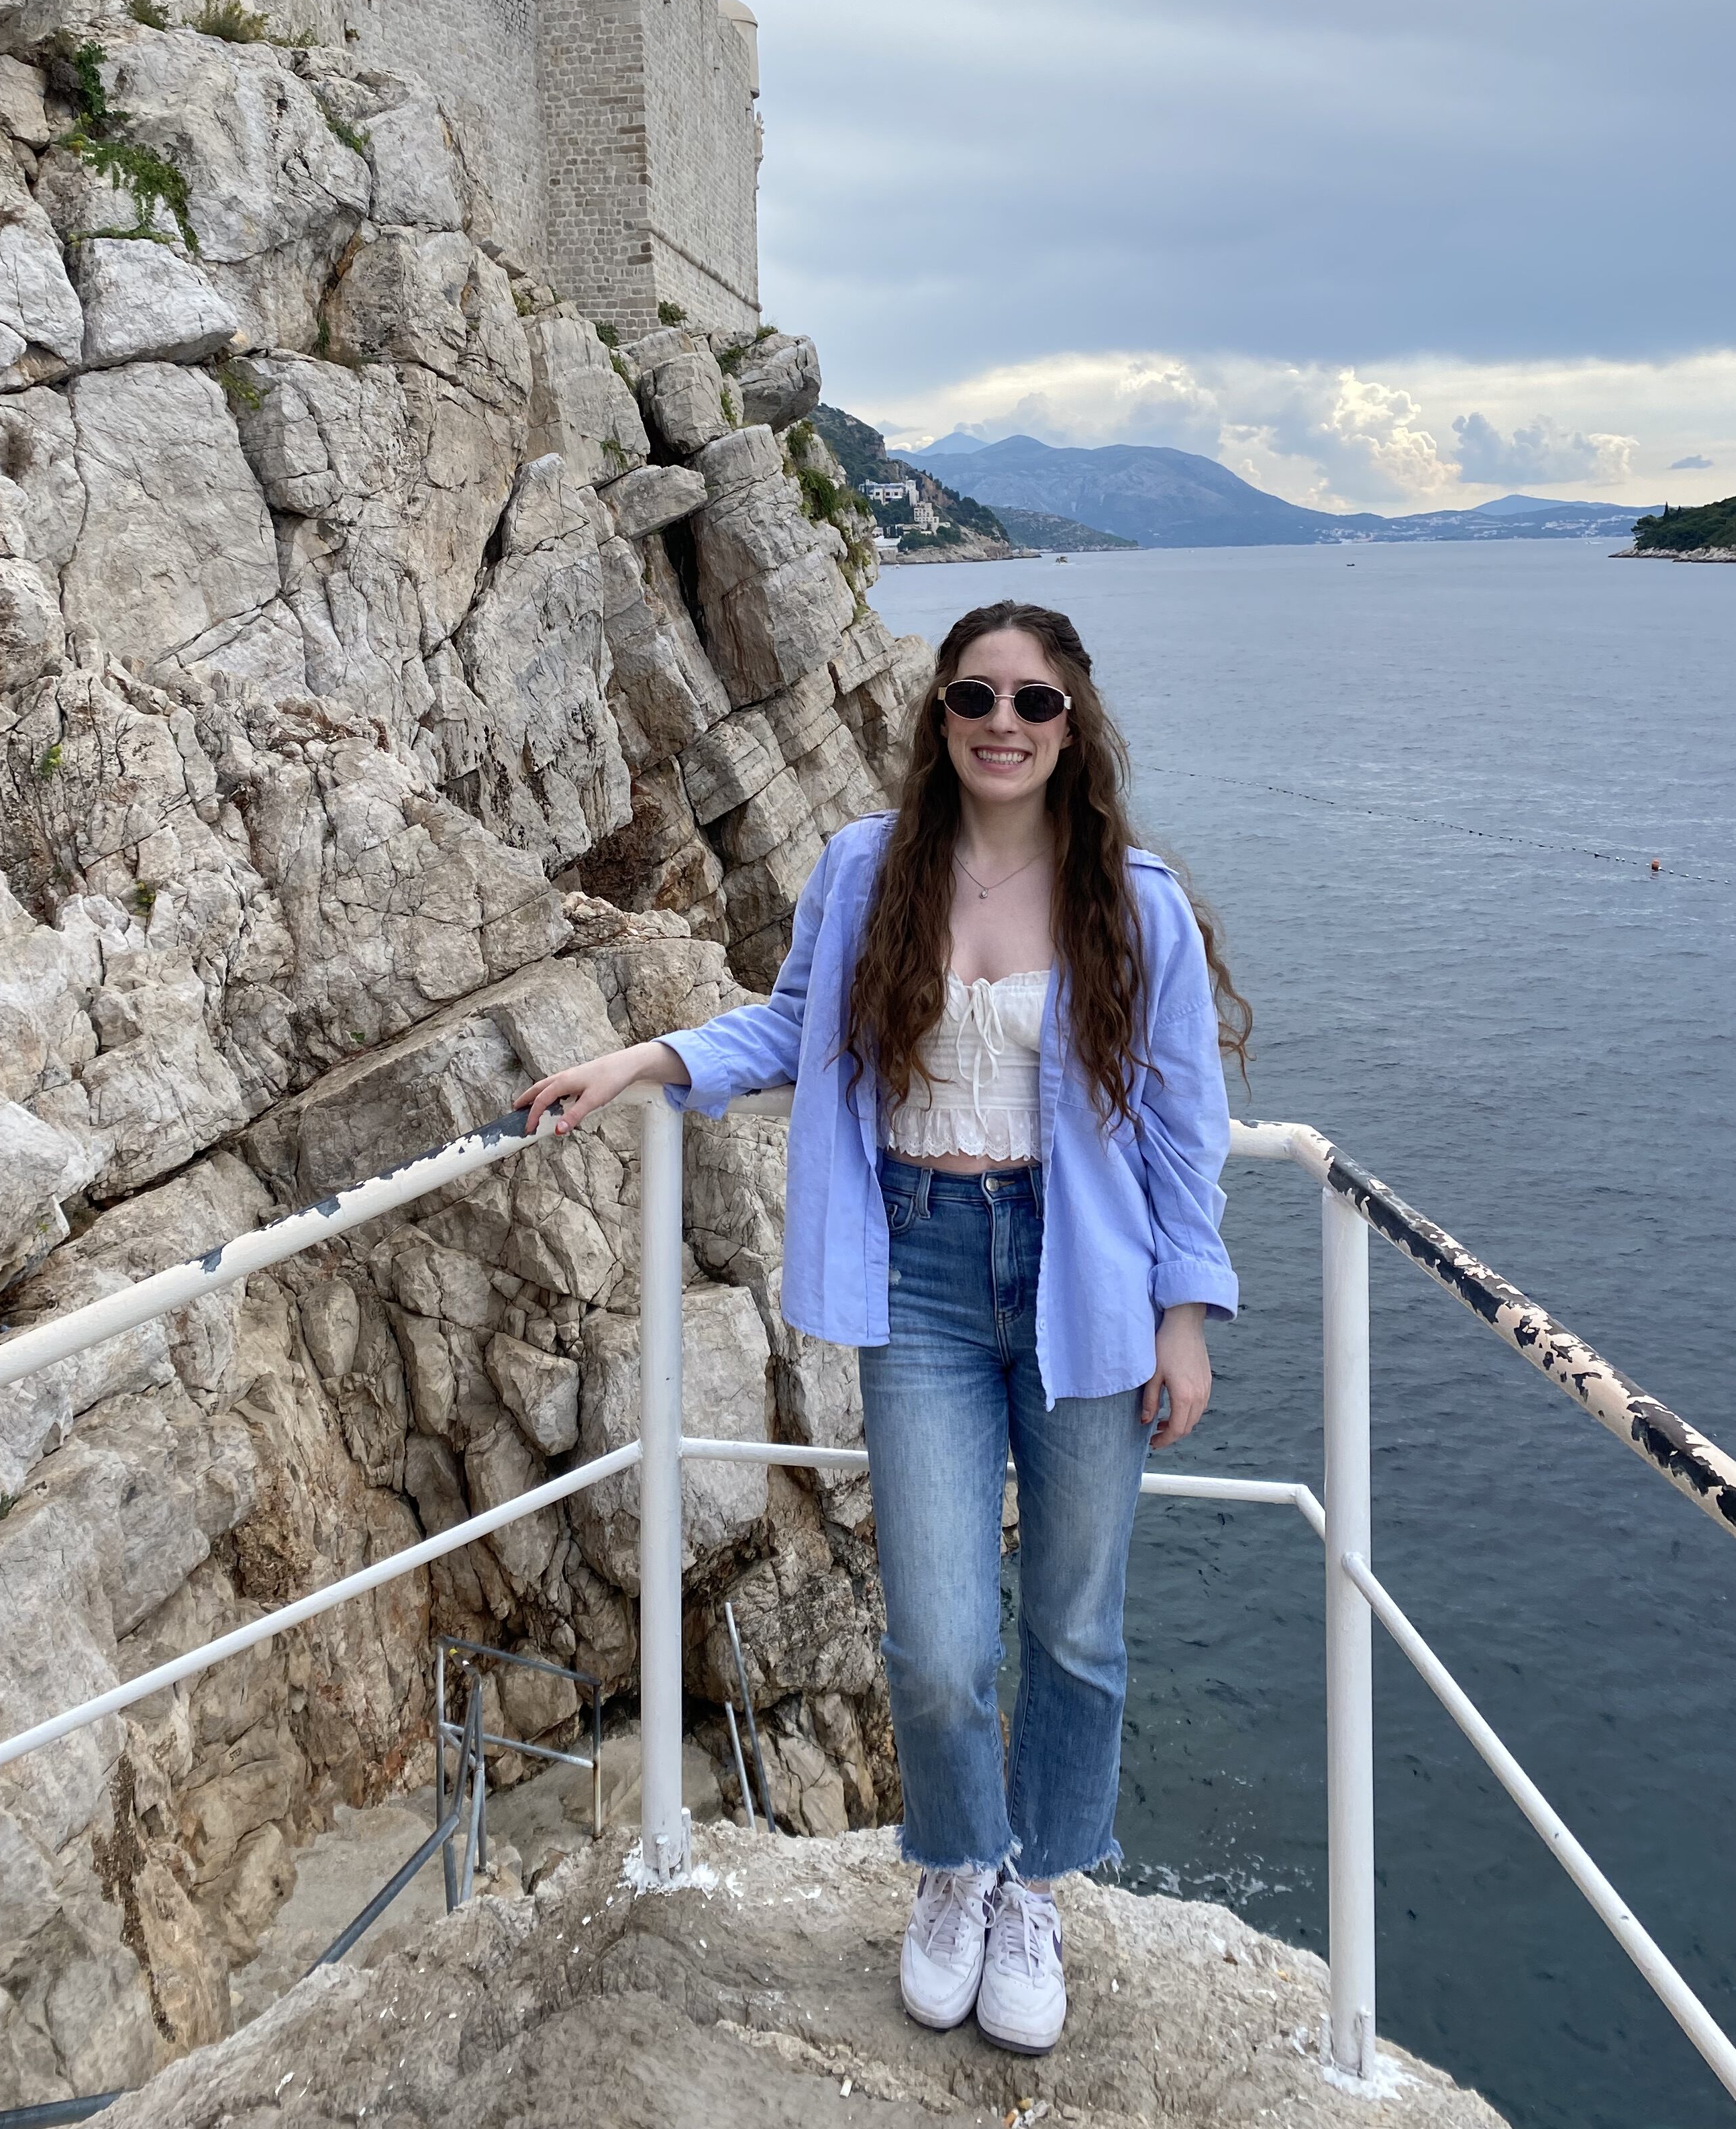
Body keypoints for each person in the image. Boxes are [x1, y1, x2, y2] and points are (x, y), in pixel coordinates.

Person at [516, 599, 1248, 2057]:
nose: (1001, 722)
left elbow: (1182, 1129)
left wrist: (1187, 1312)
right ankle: (957, 1865)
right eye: (974, 695)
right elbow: (793, 1029)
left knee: (1078, 1627)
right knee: (932, 1634)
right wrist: (649, 1056)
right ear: (937, 716)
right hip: (918, 1266)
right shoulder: (868, 871)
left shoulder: (1132, 898)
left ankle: (1036, 1887)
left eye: (1033, 702)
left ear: (1072, 723)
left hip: (1082, 1274)